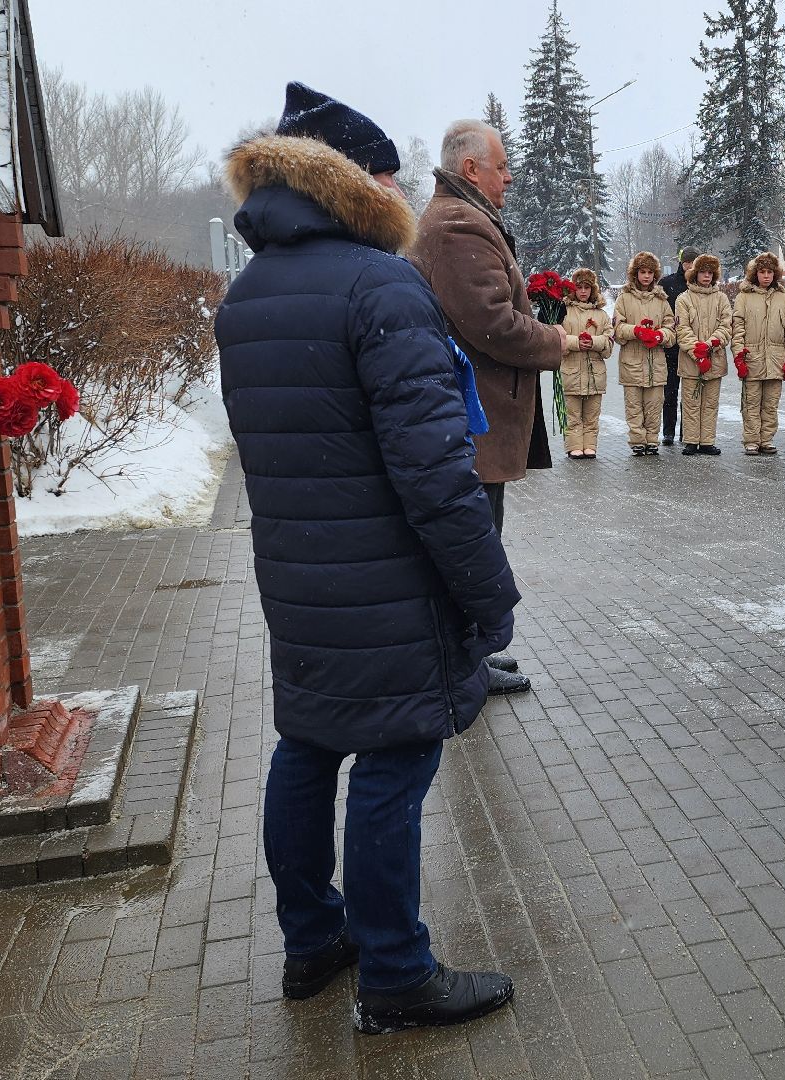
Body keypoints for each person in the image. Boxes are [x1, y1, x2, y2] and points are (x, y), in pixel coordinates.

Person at [216, 85, 517, 1033]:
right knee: (393, 762)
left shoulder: (250, 292)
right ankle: (394, 974)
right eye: (384, 171)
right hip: (388, 583)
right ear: (353, 180)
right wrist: (488, 593)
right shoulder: (380, 286)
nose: (396, 185)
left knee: (307, 748)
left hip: (300, 578)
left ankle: (314, 940)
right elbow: (436, 474)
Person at [411, 118, 562, 697]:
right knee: (472, 547)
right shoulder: (457, 227)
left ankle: (469, 654)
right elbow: (495, 325)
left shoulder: (459, 219)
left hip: (472, 417)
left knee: (477, 542)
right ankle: (462, 663)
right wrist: (557, 342)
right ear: (470, 168)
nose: (508, 179)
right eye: (501, 168)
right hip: (474, 419)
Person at [615, 251, 676, 456]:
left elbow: (671, 329)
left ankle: (652, 440)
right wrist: (636, 331)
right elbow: (617, 329)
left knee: (654, 405)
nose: (646, 276)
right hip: (632, 361)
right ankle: (637, 441)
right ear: (636, 273)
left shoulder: (661, 300)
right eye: (642, 272)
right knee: (634, 406)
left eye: (650, 272)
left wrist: (660, 335)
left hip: (655, 363)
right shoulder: (624, 298)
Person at [732, 252, 785, 455]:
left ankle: (766, 439)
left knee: (770, 403)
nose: (766, 276)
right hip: (752, 358)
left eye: (769, 272)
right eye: (762, 272)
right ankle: (751, 439)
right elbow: (737, 328)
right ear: (754, 274)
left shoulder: (783, 298)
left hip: (776, 359)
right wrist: (739, 355)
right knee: (751, 403)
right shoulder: (743, 297)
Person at [673, 253, 732, 455]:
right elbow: (682, 328)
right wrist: (696, 350)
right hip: (691, 361)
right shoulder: (684, 299)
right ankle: (691, 440)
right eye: (702, 272)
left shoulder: (722, 298)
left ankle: (707, 440)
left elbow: (726, 326)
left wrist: (709, 346)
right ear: (695, 274)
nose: (706, 276)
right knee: (691, 402)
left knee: (710, 402)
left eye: (710, 273)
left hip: (714, 359)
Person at [559, 268, 609, 460]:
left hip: (595, 375)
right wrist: (576, 343)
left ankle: (590, 446)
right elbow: (558, 338)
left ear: (592, 289)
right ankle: (573, 446)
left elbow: (608, 343)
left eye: (587, 287)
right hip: (571, 372)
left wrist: (594, 342)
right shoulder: (564, 312)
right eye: (579, 287)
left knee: (591, 416)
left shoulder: (601, 315)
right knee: (573, 416)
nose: (583, 291)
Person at [658, 249, 701, 447]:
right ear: (681, 263)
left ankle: (688, 432)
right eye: (687, 262)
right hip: (672, 348)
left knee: (691, 393)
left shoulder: (701, 284)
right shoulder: (668, 283)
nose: (690, 266)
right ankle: (668, 431)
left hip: (693, 346)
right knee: (670, 393)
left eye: (694, 262)